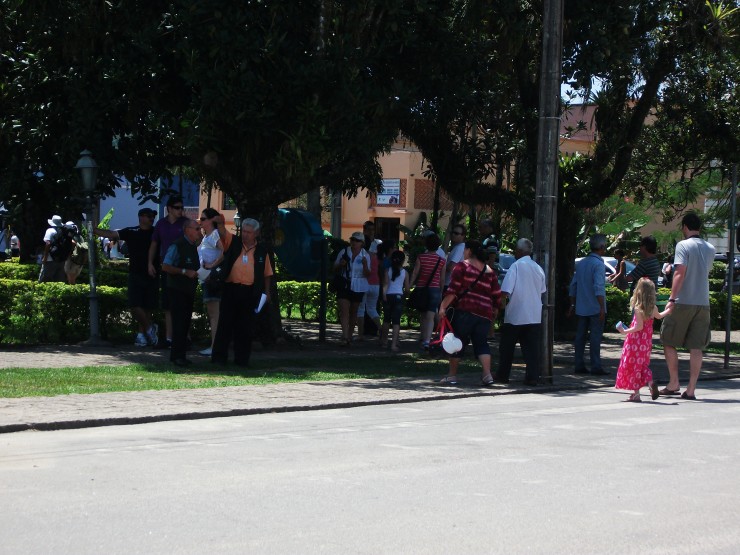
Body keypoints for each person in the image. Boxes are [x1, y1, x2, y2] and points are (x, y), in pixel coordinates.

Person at [659, 212, 715, 400]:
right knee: (696, 347)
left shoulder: (683, 245)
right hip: (703, 303)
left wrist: (672, 299)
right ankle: (691, 389)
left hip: (683, 301)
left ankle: (674, 382)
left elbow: (679, 273)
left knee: (668, 339)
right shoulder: (710, 248)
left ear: (684, 227)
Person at [211, 217, 274, 367]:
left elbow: (267, 274)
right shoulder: (234, 243)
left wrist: (267, 293)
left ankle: (242, 360)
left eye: (249, 232)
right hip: (231, 289)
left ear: (256, 233)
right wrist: (220, 223)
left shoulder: (262, 251)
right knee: (225, 325)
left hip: (250, 292)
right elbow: (223, 233)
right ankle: (219, 358)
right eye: (244, 231)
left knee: (245, 328)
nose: (245, 234)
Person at [437, 240, 501, 386]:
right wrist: (495, 309)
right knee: (481, 343)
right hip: (484, 313)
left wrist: (443, 307)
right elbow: (496, 294)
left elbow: (453, 290)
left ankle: (452, 375)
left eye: (465, 250)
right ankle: (487, 375)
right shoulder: (489, 270)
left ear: (469, 251)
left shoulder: (462, 266)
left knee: (457, 342)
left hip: (465, 311)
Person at [94, 208, 160, 346]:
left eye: (153, 216)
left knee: (147, 306)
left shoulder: (156, 232)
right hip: (135, 273)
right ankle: (149, 328)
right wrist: (94, 229)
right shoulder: (131, 231)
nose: (152, 219)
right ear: (141, 217)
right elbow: (111, 233)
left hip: (152, 272)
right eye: (149, 216)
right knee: (134, 304)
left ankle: (142, 335)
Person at [496, 238, 546, 386]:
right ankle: (532, 377)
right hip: (534, 314)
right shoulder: (538, 268)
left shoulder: (516, 266)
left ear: (519, 251)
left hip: (516, 314)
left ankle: (503, 375)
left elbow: (505, 290)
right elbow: (542, 290)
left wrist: (501, 305)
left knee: (507, 347)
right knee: (531, 349)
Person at [616, 278, 672, 402]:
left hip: (634, 341)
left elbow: (638, 327)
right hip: (646, 342)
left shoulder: (638, 308)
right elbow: (659, 316)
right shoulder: (653, 308)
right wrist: (669, 310)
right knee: (642, 365)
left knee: (633, 366)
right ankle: (650, 382)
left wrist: (625, 331)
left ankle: (636, 394)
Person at [160, 219, 202, 367]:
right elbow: (165, 266)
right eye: (196, 229)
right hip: (177, 290)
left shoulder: (192, 246)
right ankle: (177, 356)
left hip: (188, 290)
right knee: (179, 323)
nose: (199, 232)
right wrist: (184, 271)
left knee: (184, 323)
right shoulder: (177, 245)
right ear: (187, 230)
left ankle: (180, 355)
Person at [148, 195, 188, 346]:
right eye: (177, 208)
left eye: (181, 208)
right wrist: (149, 263)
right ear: (169, 208)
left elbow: (195, 241)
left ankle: (185, 338)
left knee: (183, 305)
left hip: (183, 268)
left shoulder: (186, 223)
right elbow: (154, 244)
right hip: (166, 267)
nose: (180, 210)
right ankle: (170, 338)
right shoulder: (161, 224)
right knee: (167, 305)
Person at [568, 234, 608, 376]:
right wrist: (602, 306)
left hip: (581, 307)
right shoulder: (598, 264)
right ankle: (596, 366)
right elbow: (598, 287)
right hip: (595, 307)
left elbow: (573, 285)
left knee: (580, 337)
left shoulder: (582, 263)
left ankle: (579, 364)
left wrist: (572, 305)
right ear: (602, 247)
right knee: (595, 338)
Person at [410, 232, 446, 350]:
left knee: (423, 315)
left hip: (421, 288)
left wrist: (409, 285)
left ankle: (423, 337)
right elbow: (442, 279)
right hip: (435, 289)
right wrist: (441, 292)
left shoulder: (421, 257)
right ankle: (427, 340)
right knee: (430, 316)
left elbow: (415, 272)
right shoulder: (442, 260)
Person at [333, 231, 370, 346]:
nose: (354, 242)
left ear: (362, 243)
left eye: (357, 241)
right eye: (352, 240)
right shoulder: (344, 251)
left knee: (354, 312)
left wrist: (365, 265)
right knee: (344, 310)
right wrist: (340, 264)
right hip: (344, 283)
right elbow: (334, 268)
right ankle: (345, 336)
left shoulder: (365, 255)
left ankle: (349, 335)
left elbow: (368, 274)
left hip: (358, 286)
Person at [197, 207, 224, 356]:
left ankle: (215, 347)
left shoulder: (214, 234)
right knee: (213, 314)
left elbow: (224, 251)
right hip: (206, 277)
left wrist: (212, 265)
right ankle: (215, 346)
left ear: (211, 220)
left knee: (214, 315)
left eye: (203, 219)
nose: (200, 221)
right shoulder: (206, 236)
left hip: (212, 278)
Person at [356, 221, 382, 340]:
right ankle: (379, 329)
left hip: (365, 281)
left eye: (372, 229)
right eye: (369, 229)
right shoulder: (377, 254)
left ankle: (361, 334)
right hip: (375, 282)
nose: (371, 232)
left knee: (361, 309)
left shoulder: (363, 254)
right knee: (372, 308)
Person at [380, 250, 409, 352]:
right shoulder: (405, 272)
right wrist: (404, 296)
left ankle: (384, 342)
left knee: (386, 320)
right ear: (403, 261)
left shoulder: (387, 270)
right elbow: (407, 288)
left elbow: (385, 284)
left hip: (388, 296)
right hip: (398, 296)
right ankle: (394, 344)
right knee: (396, 321)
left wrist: (384, 295)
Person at [39, 215, 70, 283]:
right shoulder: (64, 232)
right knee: (59, 281)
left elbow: (48, 243)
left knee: (45, 280)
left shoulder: (50, 231)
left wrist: (45, 257)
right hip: (61, 259)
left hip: (50, 259)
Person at [445, 224, 466, 291]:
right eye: (452, 232)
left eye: (456, 233)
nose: (453, 235)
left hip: (449, 284)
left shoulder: (459, 248)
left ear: (463, 236)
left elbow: (450, 267)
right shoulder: (459, 247)